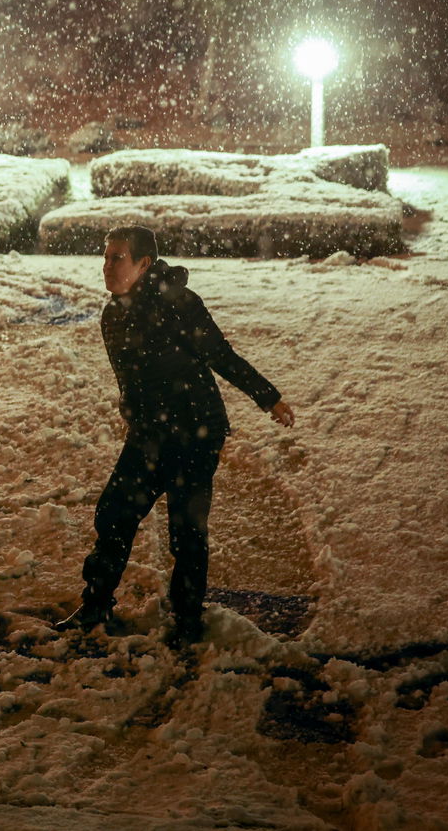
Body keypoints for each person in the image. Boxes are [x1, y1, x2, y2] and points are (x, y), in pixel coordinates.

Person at [58, 225, 295, 649]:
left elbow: (220, 355)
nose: (107, 266)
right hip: (151, 431)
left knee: (186, 531)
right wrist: (132, 412)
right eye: (106, 256)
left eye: (118, 258)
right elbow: (129, 377)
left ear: (144, 263)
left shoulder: (178, 303)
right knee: (114, 513)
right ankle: (94, 606)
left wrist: (268, 398)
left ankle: (187, 622)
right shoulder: (113, 313)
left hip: (193, 430)